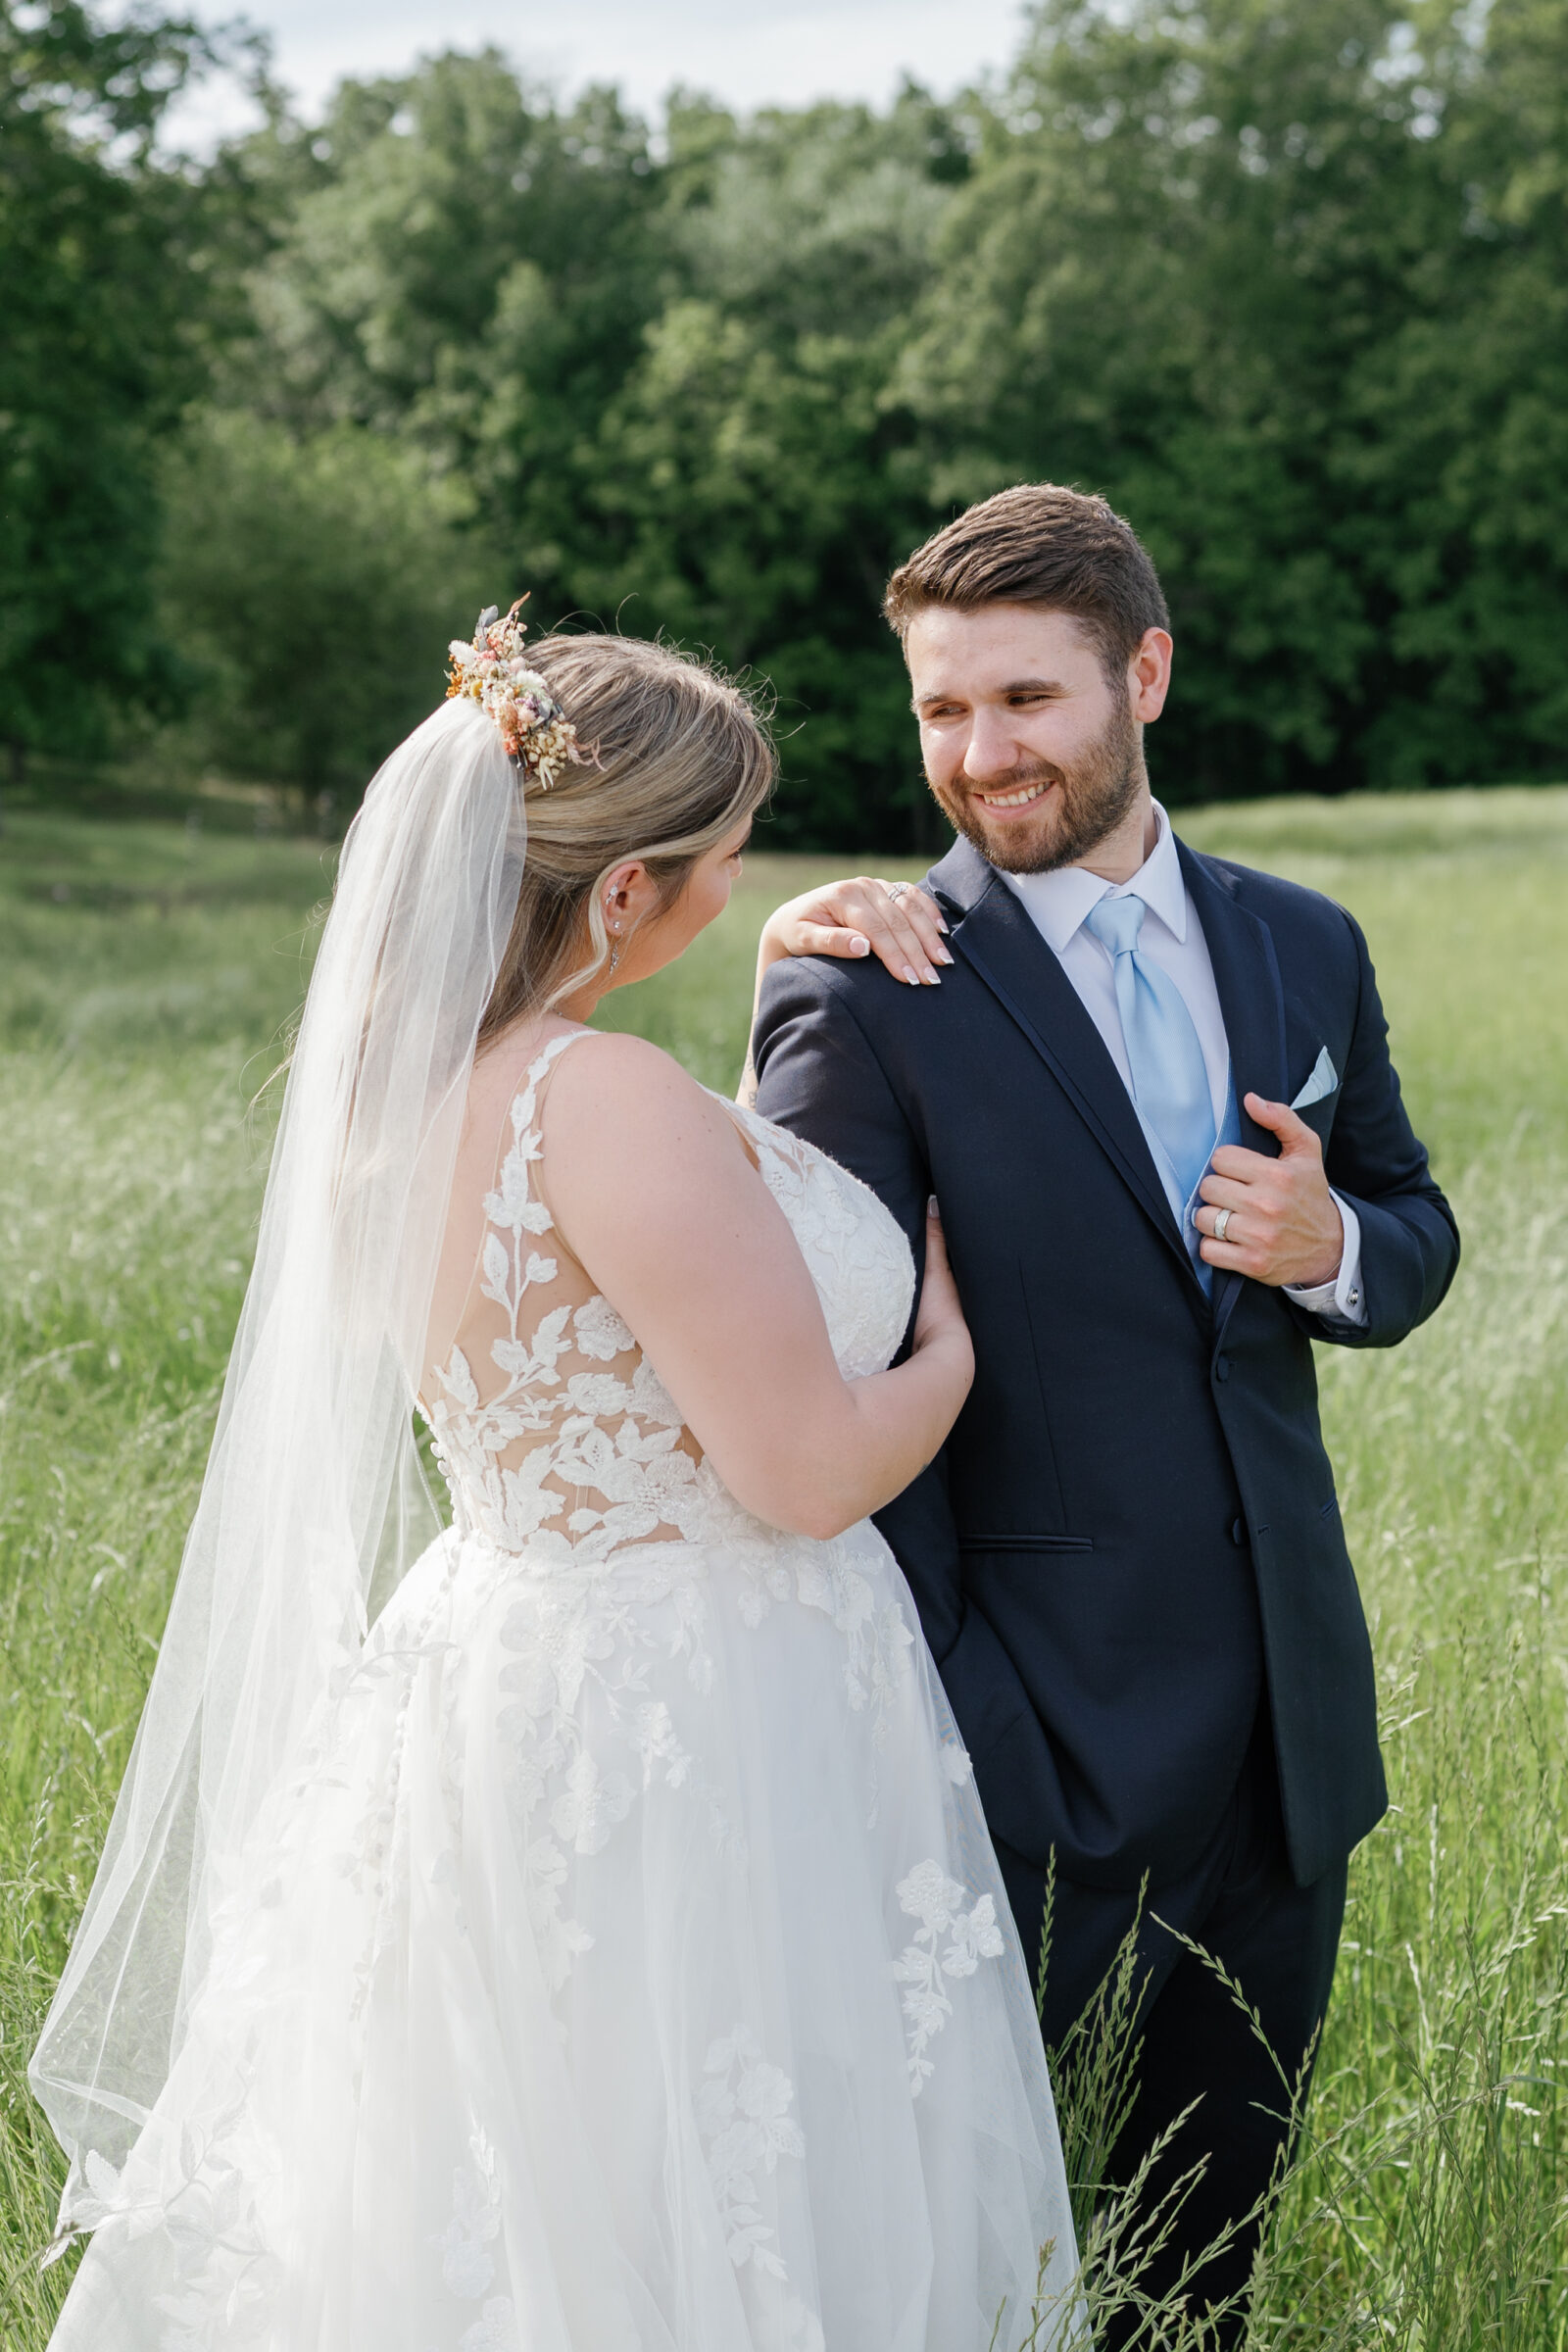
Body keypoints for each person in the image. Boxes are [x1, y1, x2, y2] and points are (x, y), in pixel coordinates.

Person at [30, 616, 1079, 2350]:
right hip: (703, 1705)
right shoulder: (610, 1103)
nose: (742, 893)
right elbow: (805, 1470)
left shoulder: (393, 1098)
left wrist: (751, 1033)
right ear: (619, 896)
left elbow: (628, 1298)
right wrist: (946, 1362)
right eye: (726, 867)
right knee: (714, 2179)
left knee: (512, 2178)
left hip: (494, 1671)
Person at [749, 484, 1461, 2341]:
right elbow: (822, 1382)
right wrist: (975, 1710)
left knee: (1196, 2286)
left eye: (1027, 702)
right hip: (1017, 1759)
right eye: (939, 709)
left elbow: (1414, 1218)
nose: (978, 757)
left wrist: (1333, 1248)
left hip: (1287, 1753)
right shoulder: (864, 985)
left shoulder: (1306, 943)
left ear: (1144, 671)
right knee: (976, 2283)